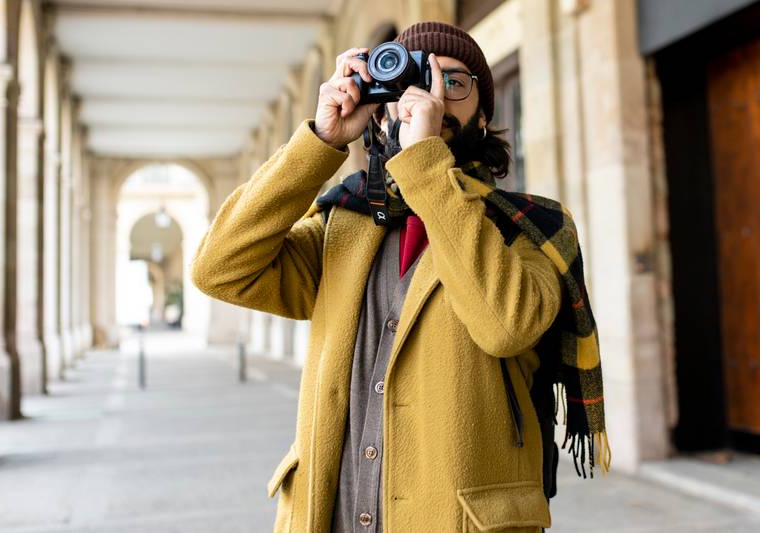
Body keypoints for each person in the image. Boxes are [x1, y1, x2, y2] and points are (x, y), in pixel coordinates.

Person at [191, 21, 609, 533]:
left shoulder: (531, 226)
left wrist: (424, 165)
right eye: (412, 79)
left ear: (483, 117)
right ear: (381, 106)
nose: (431, 95)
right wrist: (319, 142)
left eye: (453, 81)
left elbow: (506, 326)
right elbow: (220, 268)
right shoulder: (342, 223)